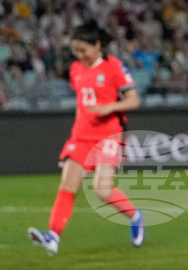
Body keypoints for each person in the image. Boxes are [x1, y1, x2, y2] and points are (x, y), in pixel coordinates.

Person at [28, 22, 145, 255]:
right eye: (76, 51)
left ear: (97, 45)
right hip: (81, 137)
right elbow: (81, 104)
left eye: (83, 50)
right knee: (67, 185)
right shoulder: (76, 69)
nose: (80, 55)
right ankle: (53, 237)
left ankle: (135, 216)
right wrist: (74, 138)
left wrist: (108, 107)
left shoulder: (114, 66)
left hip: (108, 135)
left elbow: (133, 100)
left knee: (102, 190)